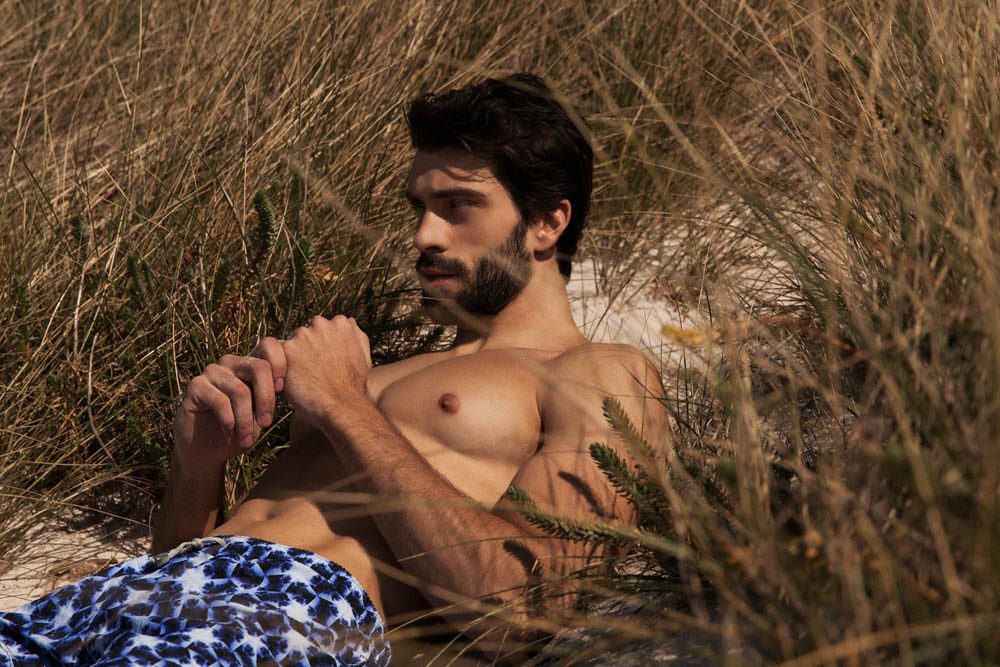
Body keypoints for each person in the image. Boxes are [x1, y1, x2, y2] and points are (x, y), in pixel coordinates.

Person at [0, 73, 667, 666]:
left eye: (458, 205)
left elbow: (524, 614)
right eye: (419, 208)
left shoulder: (602, 373)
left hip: (280, 614)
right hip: (120, 599)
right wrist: (198, 464)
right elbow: (185, 554)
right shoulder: (379, 374)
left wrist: (345, 404)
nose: (425, 236)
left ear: (547, 222)